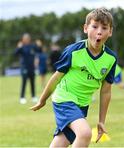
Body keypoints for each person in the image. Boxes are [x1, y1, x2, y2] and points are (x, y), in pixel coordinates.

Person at [30, 8, 117, 147]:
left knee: (61, 142)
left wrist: (102, 121)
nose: (99, 31)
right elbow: (56, 77)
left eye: (104, 28)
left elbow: (106, 91)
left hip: (82, 105)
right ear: (85, 28)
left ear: (110, 31)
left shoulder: (110, 59)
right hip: (64, 99)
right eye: (94, 27)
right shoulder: (73, 51)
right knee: (85, 133)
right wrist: (42, 100)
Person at [15, 33, 40, 104]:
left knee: (32, 83)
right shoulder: (21, 47)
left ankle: (34, 97)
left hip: (32, 68)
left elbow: (39, 50)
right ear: (23, 39)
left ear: (29, 39)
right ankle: (22, 97)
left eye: (27, 38)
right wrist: (19, 47)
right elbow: (15, 53)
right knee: (24, 83)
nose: (26, 40)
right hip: (24, 68)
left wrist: (39, 45)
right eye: (25, 39)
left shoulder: (32, 46)